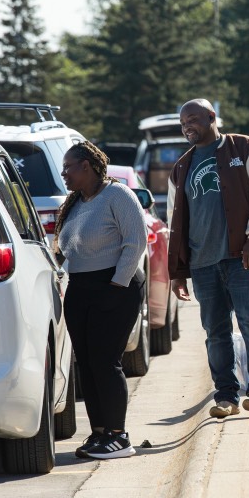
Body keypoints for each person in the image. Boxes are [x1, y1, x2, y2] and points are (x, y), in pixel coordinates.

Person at [168, 99, 249, 419]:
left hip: (243, 256)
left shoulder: (244, 148)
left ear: (212, 117)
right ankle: (226, 394)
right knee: (215, 331)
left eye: (192, 119)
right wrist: (177, 270)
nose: (187, 125)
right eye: (183, 122)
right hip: (203, 263)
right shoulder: (181, 167)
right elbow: (175, 220)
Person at [54, 141, 148, 459]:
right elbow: (65, 249)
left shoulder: (118, 195)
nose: (63, 173)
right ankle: (100, 434)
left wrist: (116, 285)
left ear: (86, 165)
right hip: (81, 289)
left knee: (106, 363)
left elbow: (136, 242)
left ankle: (119, 438)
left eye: (68, 167)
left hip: (115, 287)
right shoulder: (75, 203)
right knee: (88, 366)